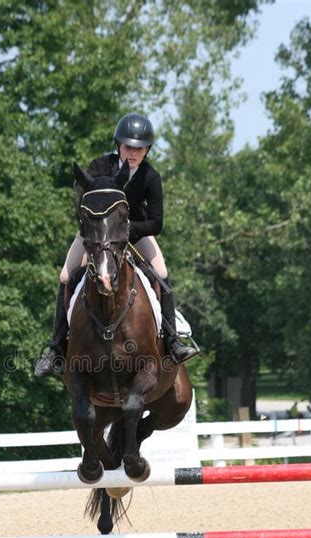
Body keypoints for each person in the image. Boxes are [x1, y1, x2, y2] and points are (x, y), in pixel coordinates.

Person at [34, 112, 199, 377]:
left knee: (162, 274)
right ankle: (55, 350)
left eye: (139, 149)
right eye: (127, 147)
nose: (132, 153)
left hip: (136, 232)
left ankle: (172, 341)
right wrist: (97, 233)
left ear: (147, 150)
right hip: (97, 235)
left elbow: (156, 222)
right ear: (118, 145)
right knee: (66, 276)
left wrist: (127, 231)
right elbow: (82, 201)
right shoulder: (100, 167)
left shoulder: (150, 177)